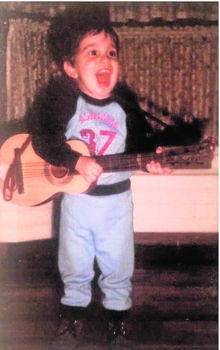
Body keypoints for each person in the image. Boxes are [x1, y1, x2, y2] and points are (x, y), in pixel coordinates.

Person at [26, 6, 171, 346]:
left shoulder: (126, 106)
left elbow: (141, 145)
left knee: (118, 265)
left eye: (111, 53)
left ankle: (118, 323)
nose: (105, 59)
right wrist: (73, 162)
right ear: (70, 67)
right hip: (77, 203)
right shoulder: (64, 100)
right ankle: (71, 321)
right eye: (92, 53)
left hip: (116, 203)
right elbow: (43, 138)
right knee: (74, 266)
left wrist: (153, 161)